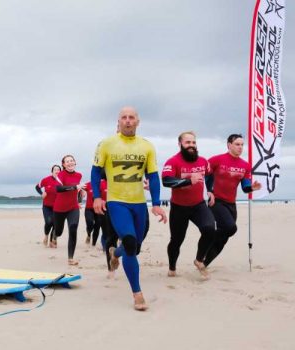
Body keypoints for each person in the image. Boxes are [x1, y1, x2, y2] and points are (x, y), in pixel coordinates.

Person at [91, 106, 167, 311]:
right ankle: (137, 294)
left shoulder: (147, 146)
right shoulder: (106, 144)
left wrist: (157, 204)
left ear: (137, 122)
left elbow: (153, 176)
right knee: (131, 242)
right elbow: (96, 172)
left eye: (131, 117)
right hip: (117, 202)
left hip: (139, 204)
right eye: (123, 117)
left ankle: (116, 254)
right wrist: (97, 197)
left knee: (135, 247)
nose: (127, 120)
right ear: (118, 122)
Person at [162, 131, 215, 278]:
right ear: (180, 144)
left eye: (193, 143)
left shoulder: (203, 161)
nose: (191, 146)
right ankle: (172, 267)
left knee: (210, 229)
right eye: (187, 143)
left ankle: (199, 260)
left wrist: (210, 190)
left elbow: (210, 175)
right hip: (179, 207)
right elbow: (166, 181)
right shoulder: (173, 161)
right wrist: (187, 181)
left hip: (198, 205)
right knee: (176, 241)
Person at [202, 134, 262, 267]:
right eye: (237, 144)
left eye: (242, 145)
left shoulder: (245, 165)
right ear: (229, 145)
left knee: (224, 238)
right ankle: (207, 241)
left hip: (231, 204)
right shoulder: (216, 160)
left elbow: (245, 187)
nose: (240, 147)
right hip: (216, 201)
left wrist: (252, 187)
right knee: (231, 228)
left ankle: (204, 263)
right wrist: (210, 190)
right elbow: (206, 175)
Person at [52, 155, 85, 265]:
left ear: (75, 162)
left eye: (72, 160)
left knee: (73, 228)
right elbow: (58, 188)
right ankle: (54, 235)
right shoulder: (60, 175)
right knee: (59, 232)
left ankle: (70, 258)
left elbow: (79, 190)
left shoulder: (79, 175)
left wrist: (80, 198)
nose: (70, 163)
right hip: (59, 208)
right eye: (67, 161)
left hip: (73, 207)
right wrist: (75, 187)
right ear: (64, 165)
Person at [35, 165, 62, 246]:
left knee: (55, 224)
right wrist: (41, 193)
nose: (57, 171)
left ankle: (52, 241)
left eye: (58, 170)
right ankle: (46, 235)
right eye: (55, 170)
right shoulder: (46, 180)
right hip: (47, 206)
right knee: (49, 222)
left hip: (58, 206)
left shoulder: (62, 181)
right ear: (52, 171)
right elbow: (37, 187)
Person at [84, 181, 104, 248]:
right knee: (90, 222)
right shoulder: (89, 184)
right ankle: (89, 234)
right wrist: (81, 192)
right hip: (89, 208)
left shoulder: (104, 184)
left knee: (97, 226)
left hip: (99, 208)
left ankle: (93, 244)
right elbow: (79, 188)